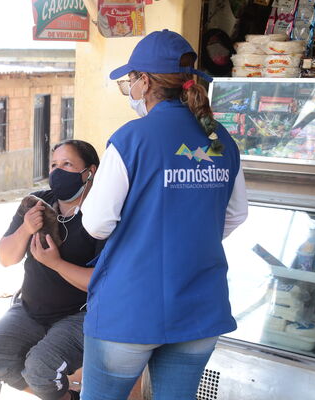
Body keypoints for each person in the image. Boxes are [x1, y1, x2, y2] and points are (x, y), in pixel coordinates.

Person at [80, 30, 248, 400]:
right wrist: (186, 235)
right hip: (200, 308)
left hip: (130, 309)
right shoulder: (220, 139)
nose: (130, 89)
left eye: (130, 81)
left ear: (145, 82)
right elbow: (236, 215)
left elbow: (96, 223)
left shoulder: (131, 138)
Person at [0, 140, 105, 400]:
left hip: (80, 316)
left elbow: (102, 283)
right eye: (54, 165)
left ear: (90, 171)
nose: (58, 172)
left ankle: (52, 390)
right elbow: (5, 258)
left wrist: (56, 264)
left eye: (67, 164)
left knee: (40, 368)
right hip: (30, 309)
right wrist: (26, 228)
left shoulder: (101, 215)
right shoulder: (36, 204)